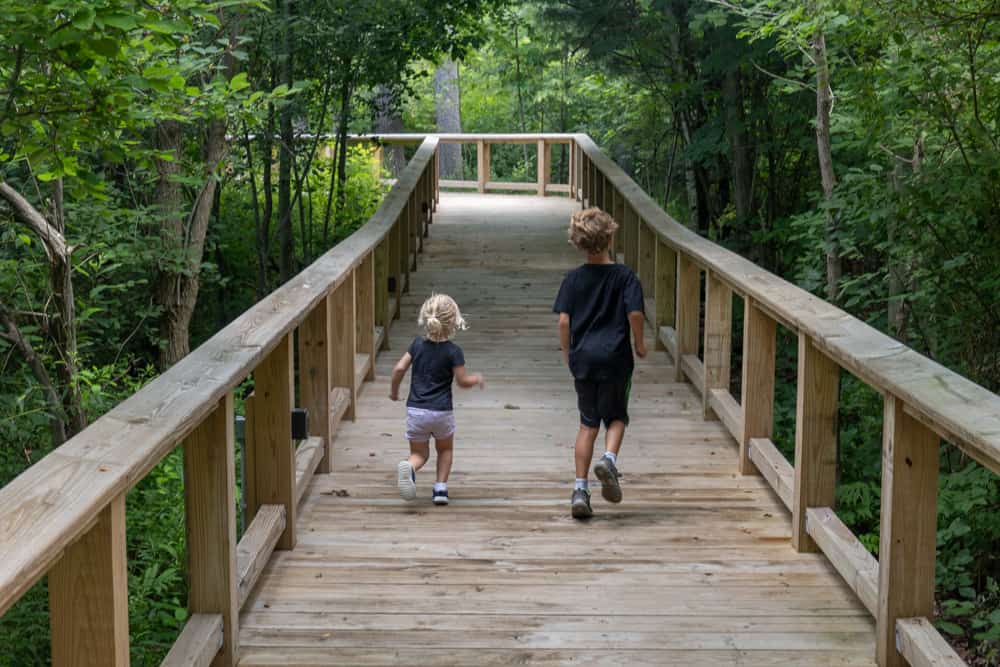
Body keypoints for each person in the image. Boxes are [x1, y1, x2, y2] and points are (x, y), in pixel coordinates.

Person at [553, 208, 646, 519]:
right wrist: (640, 342)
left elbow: (564, 322)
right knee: (617, 417)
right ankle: (608, 459)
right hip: (616, 358)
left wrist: (567, 352)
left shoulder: (572, 280)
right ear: (610, 237)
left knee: (587, 424)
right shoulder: (625, 277)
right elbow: (634, 314)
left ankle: (580, 489)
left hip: (584, 360)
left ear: (577, 243)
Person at [389, 293, 484, 505]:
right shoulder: (453, 352)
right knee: (445, 449)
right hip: (441, 412)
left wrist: (394, 391)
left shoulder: (416, 345)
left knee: (420, 453)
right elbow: (461, 381)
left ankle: (410, 466)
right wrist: (475, 379)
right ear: (454, 322)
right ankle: (440, 488)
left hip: (416, 411)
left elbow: (399, 368)